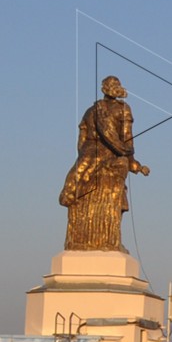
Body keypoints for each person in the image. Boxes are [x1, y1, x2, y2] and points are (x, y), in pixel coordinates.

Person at [60, 76, 150, 252]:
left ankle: (87, 237)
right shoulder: (122, 109)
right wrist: (132, 163)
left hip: (88, 155)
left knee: (74, 185)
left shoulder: (91, 111)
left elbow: (81, 141)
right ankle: (105, 241)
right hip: (110, 156)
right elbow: (127, 140)